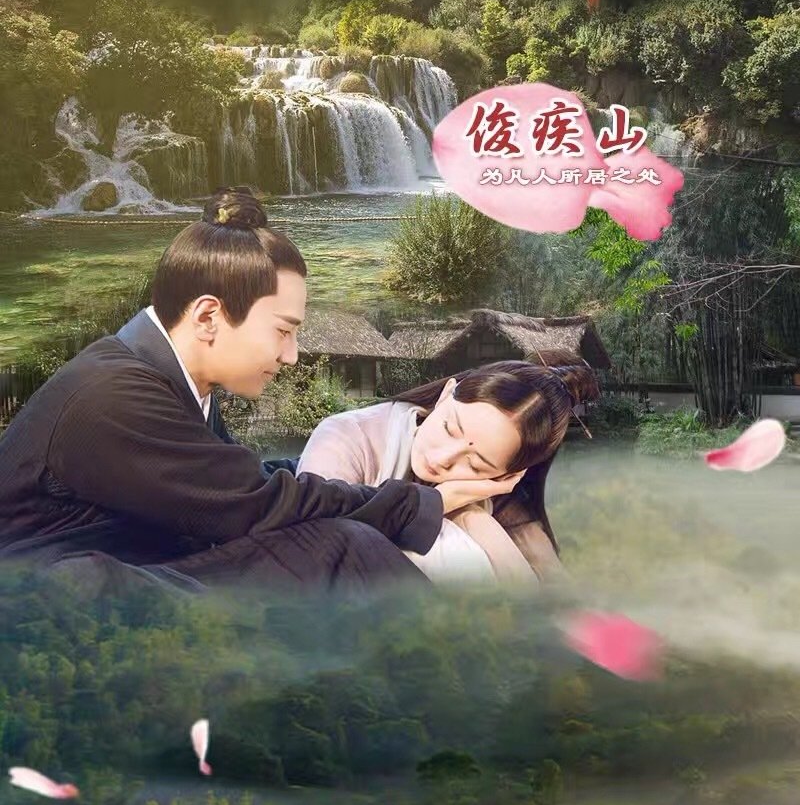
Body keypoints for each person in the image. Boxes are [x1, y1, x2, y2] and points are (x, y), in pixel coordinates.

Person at [0, 201, 444, 585]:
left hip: (119, 576)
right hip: (47, 611)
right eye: (282, 331)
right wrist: (416, 504)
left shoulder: (176, 380)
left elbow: (238, 480)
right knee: (342, 549)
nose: (291, 356)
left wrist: (384, 470)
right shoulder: (113, 395)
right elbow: (255, 504)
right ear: (208, 317)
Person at [300, 326, 595, 578]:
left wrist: (476, 518)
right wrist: (446, 502)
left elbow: (552, 587)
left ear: (509, 475)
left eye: (476, 465)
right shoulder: (347, 437)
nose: (442, 459)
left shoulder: (501, 496)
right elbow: (312, 547)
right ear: (444, 396)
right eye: (449, 428)